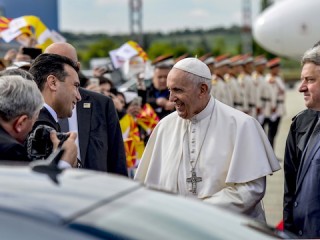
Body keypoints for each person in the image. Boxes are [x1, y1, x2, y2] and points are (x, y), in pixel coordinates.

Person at [135, 58, 280, 221]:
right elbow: (150, 187)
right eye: (169, 90)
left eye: (177, 90)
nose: (171, 98)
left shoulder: (241, 125)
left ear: (202, 90)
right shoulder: (164, 127)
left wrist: (197, 212)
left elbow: (251, 189)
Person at [44, 42, 128, 176]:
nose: (56, 72)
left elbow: (116, 158)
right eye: (50, 65)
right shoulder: (33, 105)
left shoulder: (101, 104)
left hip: (94, 190)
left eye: (62, 65)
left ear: (77, 67)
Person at [0, 74, 77, 166]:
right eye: (33, 123)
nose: (31, 130)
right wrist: (64, 161)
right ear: (21, 123)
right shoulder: (11, 152)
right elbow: (29, 181)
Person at [283, 45, 320, 238]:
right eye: (302, 80)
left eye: (310, 80)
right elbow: (291, 191)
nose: (301, 87)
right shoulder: (301, 124)